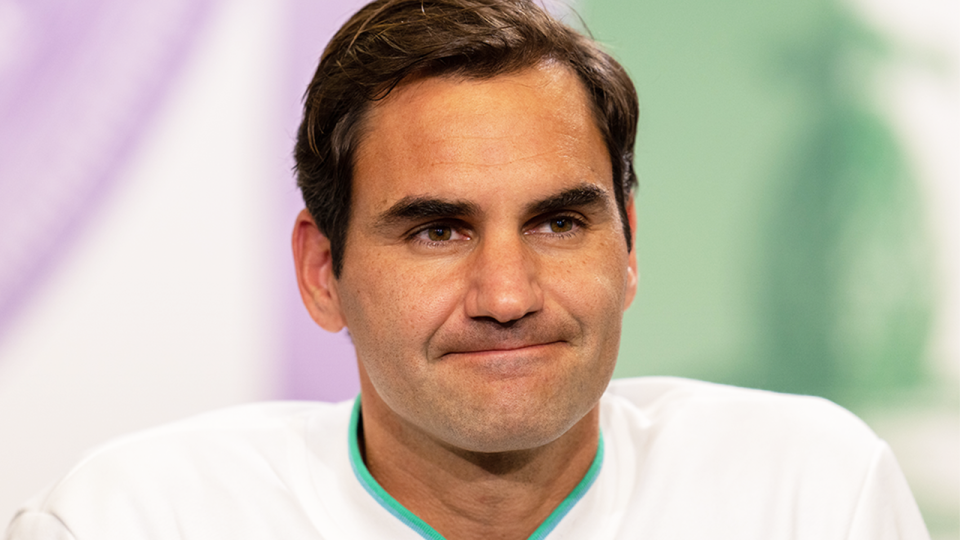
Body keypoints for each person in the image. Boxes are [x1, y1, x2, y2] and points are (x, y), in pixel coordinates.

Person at [5, 0, 930, 539]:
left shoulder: (808, 498)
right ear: (322, 272)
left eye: (559, 222)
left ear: (631, 246)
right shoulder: (132, 522)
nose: (507, 296)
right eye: (437, 231)